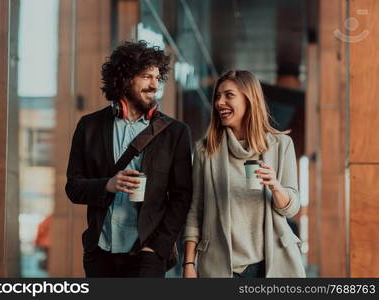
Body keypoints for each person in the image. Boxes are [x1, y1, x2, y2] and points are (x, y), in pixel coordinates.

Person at [65, 41, 193, 278]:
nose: (154, 85)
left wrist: (157, 247)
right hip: (100, 251)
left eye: (157, 77)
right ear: (124, 79)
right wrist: (107, 184)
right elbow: (73, 188)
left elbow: (182, 196)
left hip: (146, 254)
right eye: (147, 76)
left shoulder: (175, 132)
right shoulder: (89, 126)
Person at [183, 70, 305, 278]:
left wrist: (275, 185)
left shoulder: (281, 145)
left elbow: (291, 208)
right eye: (218, 96)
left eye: (229, 95)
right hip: (221, 267)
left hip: (269, 264)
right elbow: (196, 210)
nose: (220, 102)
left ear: (249, 99)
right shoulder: (205, 151)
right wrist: (188, 263)